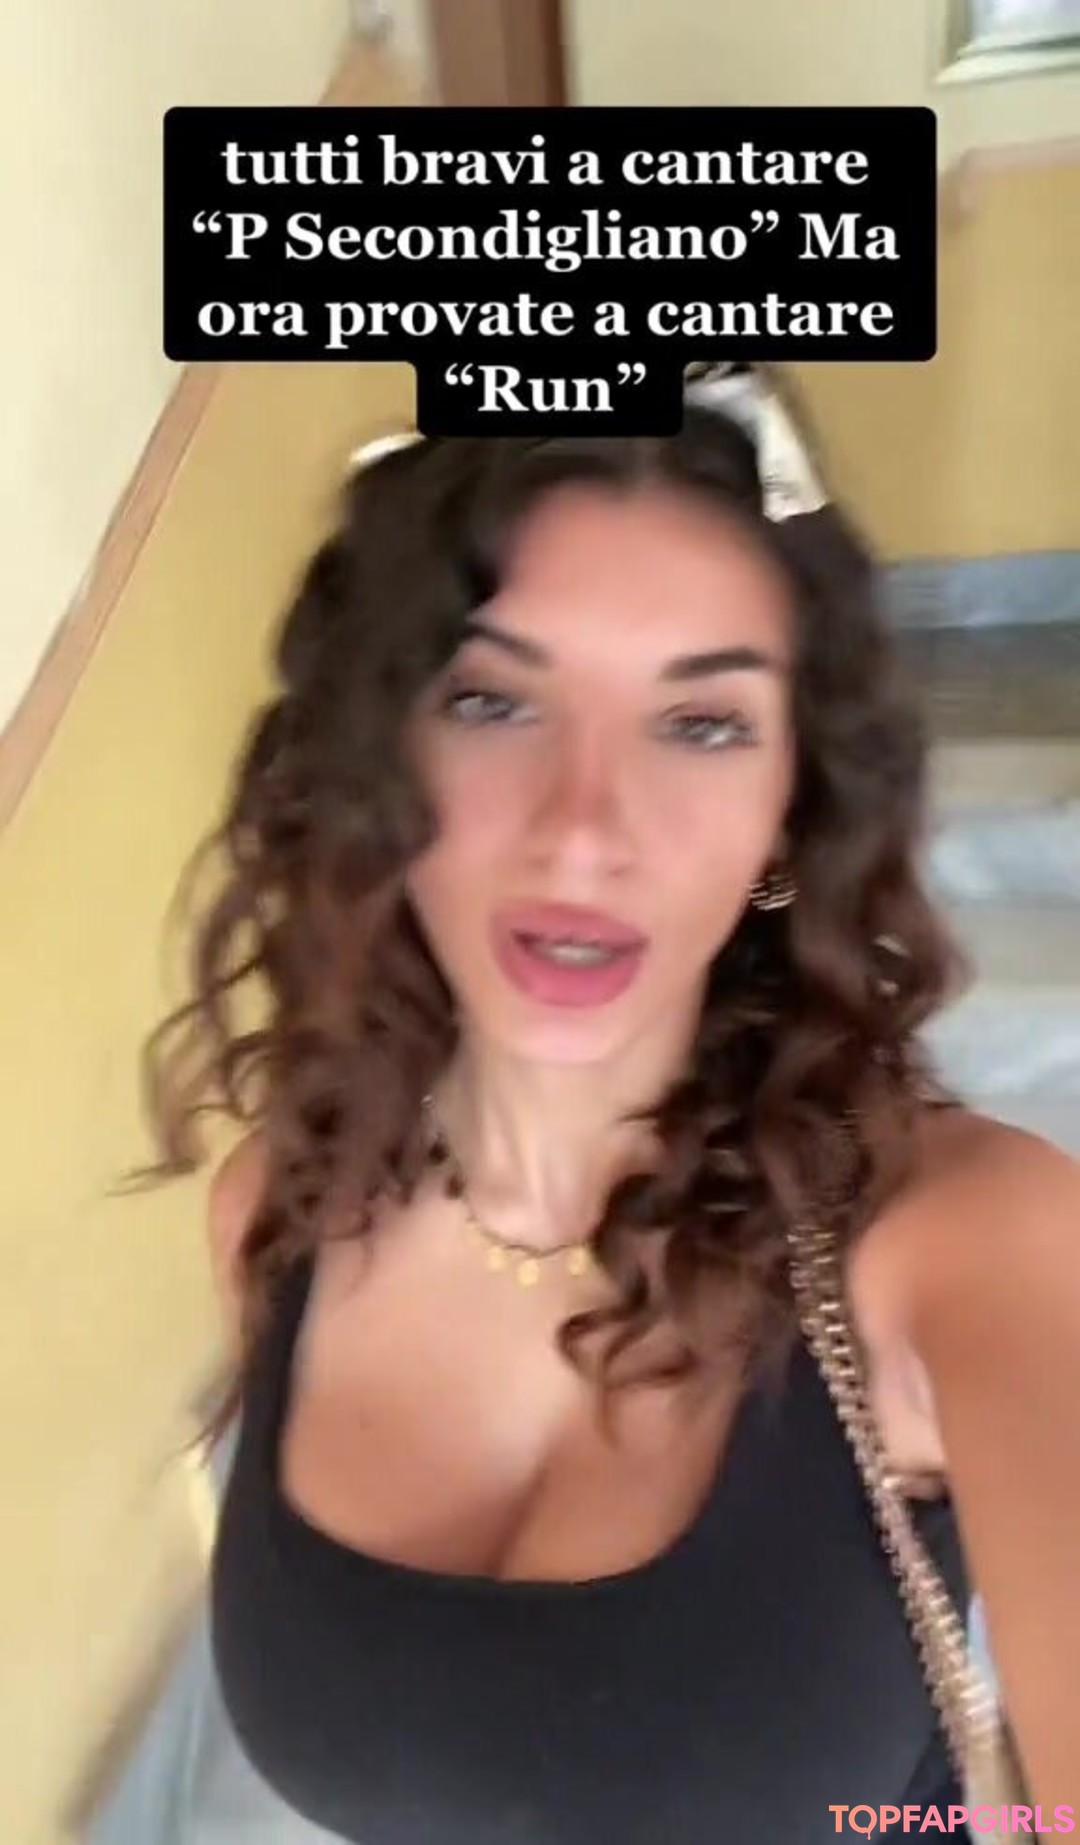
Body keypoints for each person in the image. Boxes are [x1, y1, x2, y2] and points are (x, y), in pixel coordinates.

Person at [138, 364, 1080, 1841]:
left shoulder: (972, 1246)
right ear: (382, 762)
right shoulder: (277, 1209)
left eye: (701, 724)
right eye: (492, 699)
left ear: (789, 811)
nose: (585, 829)